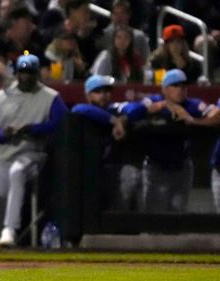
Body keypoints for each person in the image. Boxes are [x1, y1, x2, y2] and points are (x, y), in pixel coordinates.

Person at [0, 53, 68, 247]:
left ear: (37, 73)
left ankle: (10, 230)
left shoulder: (50, 97)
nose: (26, 77)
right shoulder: (2, 96)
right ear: (16, 73)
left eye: (30, 73)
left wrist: (34, 128)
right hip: (4, 152)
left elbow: (62, 123)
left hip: (33, 152)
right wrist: (3, 133)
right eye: (23, 72)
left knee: (17, 171)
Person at [122, 69, 215, 212]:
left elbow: (216, 113)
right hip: (156, 167)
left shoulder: (192, 105)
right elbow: (129, 111)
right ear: (165, 89)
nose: (180, 90)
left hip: (181, 167)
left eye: (183, 86)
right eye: (175, 86)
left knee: (177, 217)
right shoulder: (154, 101)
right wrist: (163, 105)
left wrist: (194, 120)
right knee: (154, 217)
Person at [71, 75, 141, 211]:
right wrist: (114, 121)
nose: (103, 95)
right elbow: (78, 109)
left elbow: (137, 107)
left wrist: (123, 120)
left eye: (106, 91)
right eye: (98, 92)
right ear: (88, 95)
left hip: (112, 168)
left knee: (131, 175)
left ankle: (119, 223)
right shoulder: (84, 112)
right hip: (88, 171)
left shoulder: (116, 110)